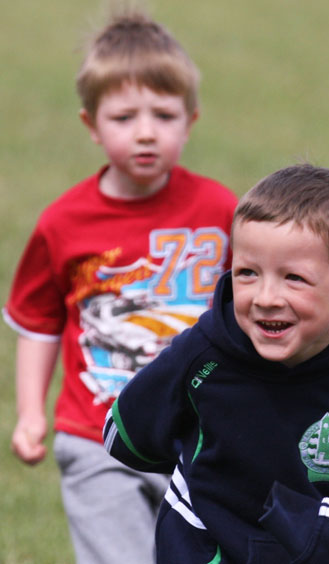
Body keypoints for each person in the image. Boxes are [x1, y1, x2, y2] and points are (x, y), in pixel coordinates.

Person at [104, 163, 329, 563]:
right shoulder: (207, 352)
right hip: (205, 549)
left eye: (293, 278)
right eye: (247, 273)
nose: (265, 297)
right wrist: (197, 469)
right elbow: (124, 434)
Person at [3, 9, 238, 564]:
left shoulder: (221, 210)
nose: (147, 131)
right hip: (96, 436)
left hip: (200, 438)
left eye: (164, 113)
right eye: (124, 116)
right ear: (91, 124)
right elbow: (37, 323)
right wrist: (31, 411)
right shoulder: (64, 223)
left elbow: (246, 313)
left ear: (191, 120)